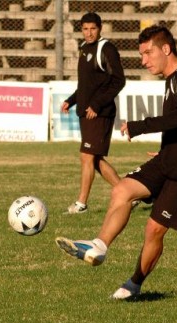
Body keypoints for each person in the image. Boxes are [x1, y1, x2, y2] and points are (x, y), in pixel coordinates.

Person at [55, 25, 177, 299]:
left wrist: (140, 127)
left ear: (166, 49)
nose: (143, 60)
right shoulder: (173, 80)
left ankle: (134, 285)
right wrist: (168, 149)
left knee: (154, 229)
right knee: (122, 190)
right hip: (172, 159)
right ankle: (98, 246)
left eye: (147, 53)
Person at [61, 12, 126, 214]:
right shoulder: (84, 49)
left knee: (86, 156)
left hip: (99, 113)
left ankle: (81, 203)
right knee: (94, 160)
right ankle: (127, 194)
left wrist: (97, 105)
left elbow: (118, 80)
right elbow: (87, 85)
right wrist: (71, 101)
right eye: (85, 29)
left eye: (93, 29)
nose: (89, 33)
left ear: (100, 28)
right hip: (86, 112)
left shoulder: (106, 48)